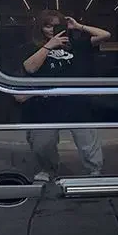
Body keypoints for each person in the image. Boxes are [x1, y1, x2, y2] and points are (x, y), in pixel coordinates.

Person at [20, 10, 111, 179]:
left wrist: (78, 26)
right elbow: (29, 67)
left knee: (87, 140)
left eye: (57, 26)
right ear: (40, 28)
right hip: (45, 103)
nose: (53, 30)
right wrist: (49, 45)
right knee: (42, 144)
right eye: (48, 26)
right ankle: (48, 169)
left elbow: (105, 35)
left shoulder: (75, 44)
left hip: (75, 99)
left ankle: (94, 171)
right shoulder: (32, 47)